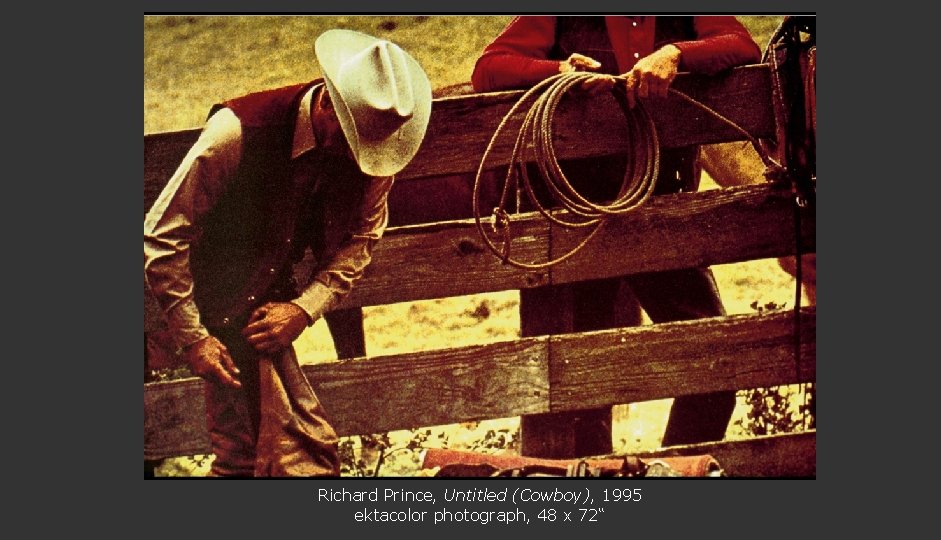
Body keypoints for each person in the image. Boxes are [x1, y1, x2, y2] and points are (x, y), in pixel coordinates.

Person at [144, 29, 432, 476]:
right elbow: (163, 233)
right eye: (351, 138)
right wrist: (194, 337)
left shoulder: (378, 150)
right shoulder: (236, 132)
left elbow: (363, 238)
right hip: (200, 300)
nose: (361, 157)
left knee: (290, 450)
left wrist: (304, 308)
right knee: (236, 454)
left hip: (264, 307)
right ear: (325, 104)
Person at [472, 16, 761, 448]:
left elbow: (742, 46)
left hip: (659, 207)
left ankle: (672, 473)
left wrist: (676, 54)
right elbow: (490, 68)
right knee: (580, 384)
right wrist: (559, 73)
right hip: (576, 215)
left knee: (714, 363)